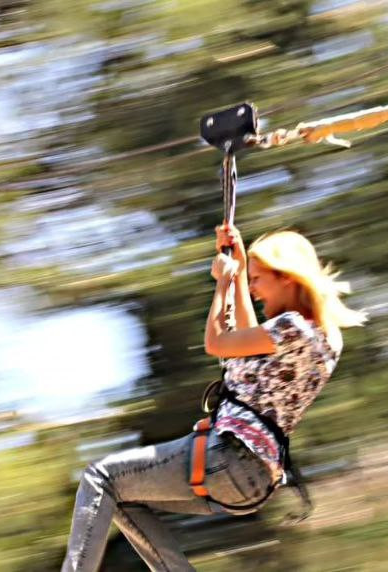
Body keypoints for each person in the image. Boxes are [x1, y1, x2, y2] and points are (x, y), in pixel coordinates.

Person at [61, 225, 366, 572]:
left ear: (287, 278)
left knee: (99, 477)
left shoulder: (292, 327)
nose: (254, 289)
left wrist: (223, 282)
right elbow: (246, 343)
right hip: (251, 478)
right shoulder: (316, 337)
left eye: (257, 279)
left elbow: (218, 343)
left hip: (229, 457)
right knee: (119, 496)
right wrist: (238, 269)